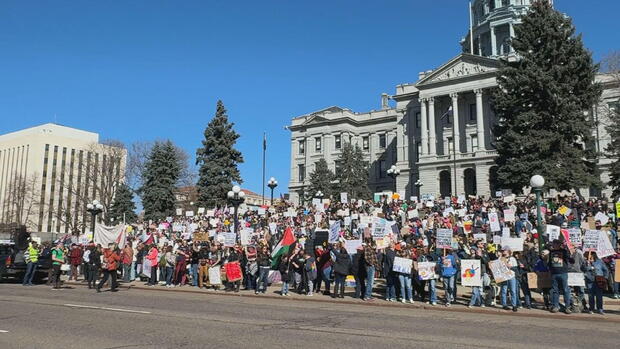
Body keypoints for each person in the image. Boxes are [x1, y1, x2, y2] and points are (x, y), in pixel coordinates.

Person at [548, 239, 574, 313]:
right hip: (554, 274)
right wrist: (550, 270)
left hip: (563, 273)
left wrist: (570, 253)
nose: (553, 245)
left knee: (566, 290)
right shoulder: (551, 252)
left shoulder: (564, 251)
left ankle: (567, 307)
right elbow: (550, 262)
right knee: (555, 291)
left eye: (555, 244)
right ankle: (556, 306)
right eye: (553, 244)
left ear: (559, 244)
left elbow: (571, 260)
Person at [499, 247, 519, 312]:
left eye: (504, 250)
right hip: (504, 276)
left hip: (511, 276)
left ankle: (514, 305)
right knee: (504, 290)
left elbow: (516, 268)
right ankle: (504, 304)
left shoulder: (512, 259)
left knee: (513, 291)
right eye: (503, 251)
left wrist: (510, 266)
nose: (503, 252)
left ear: (508, 251)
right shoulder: (500, 258)